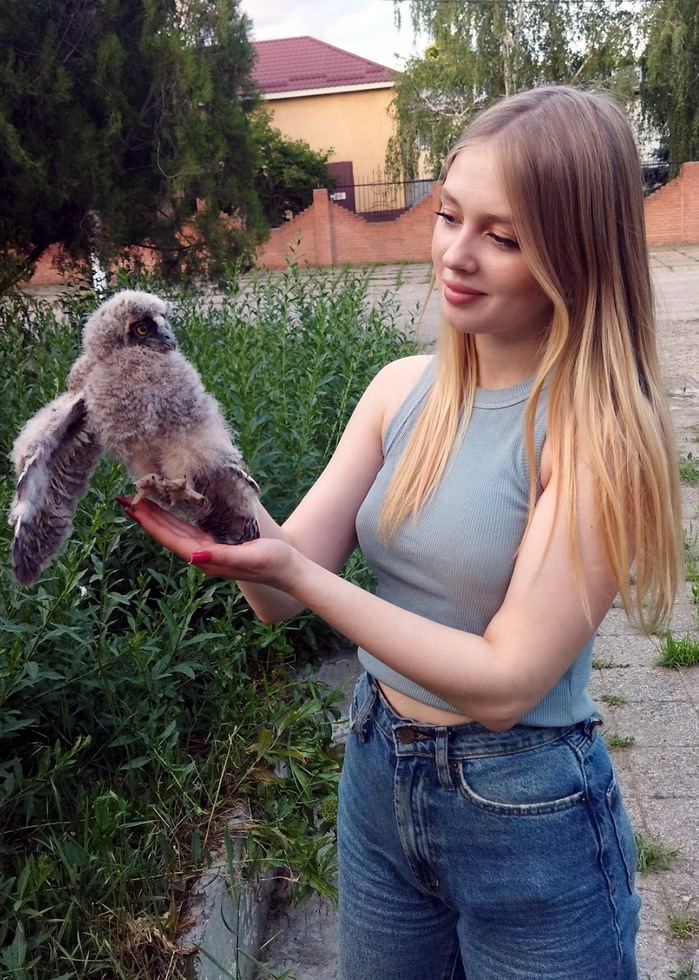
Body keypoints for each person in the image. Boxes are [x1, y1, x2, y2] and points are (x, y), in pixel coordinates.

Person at [119, 85, 682, 979]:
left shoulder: (597, 433)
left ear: (578, 254)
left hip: (525, 809)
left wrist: (297, 576)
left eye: (503, 237)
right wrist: (201, 473)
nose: (456, 253)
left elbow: (504, 684)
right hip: (377, 773)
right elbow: (274, 592)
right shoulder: (398, 390)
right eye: (448, 215)